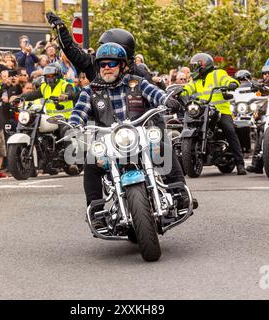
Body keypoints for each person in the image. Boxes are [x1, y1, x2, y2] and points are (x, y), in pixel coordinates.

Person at [68, 42, 193, 227]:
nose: (107, 68)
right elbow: (79, 111)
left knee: (163, 146)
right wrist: (73, 124)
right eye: (103, 65)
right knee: (91, 162)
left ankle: (179, 192)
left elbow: (156, 94)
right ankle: (96, 212)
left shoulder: (137, 83)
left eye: (112, 64)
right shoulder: (90, 91)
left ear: (122, 65)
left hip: (140, 137)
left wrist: (168, 100)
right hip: (108, 142)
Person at [183, 53, 247, 175]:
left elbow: (228, 79)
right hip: (202, 111)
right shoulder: (195, 80)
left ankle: (240, 163)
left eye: (196, 66)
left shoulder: (218, 74)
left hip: (221, 110)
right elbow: (188, 88)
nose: (194, 69)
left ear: (204, 65)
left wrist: (232, 84)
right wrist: (180, 92)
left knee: (229, 129)